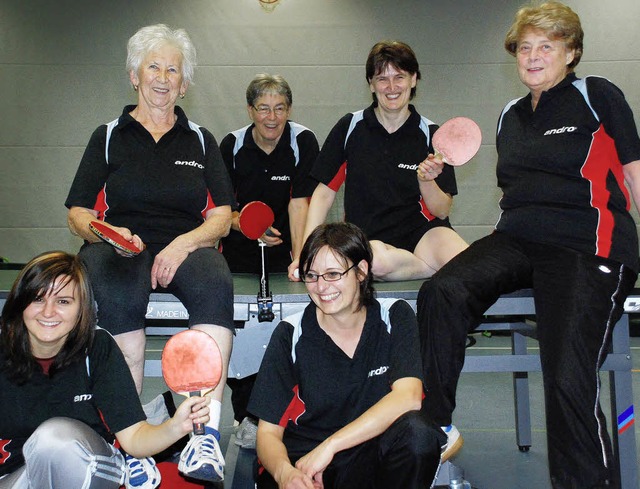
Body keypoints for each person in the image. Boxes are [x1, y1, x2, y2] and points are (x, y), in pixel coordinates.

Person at [417, 2, 640, 487]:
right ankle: (436, 428)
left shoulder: (596, 95)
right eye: (524, 47)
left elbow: (633, 174)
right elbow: (512, 191)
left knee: (566, 377)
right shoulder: (510, 114)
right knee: (442, 291)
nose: (533, 56)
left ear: (571, 52)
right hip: (517, 238)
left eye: (547, 46)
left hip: (588, 244)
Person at [64, 24, 235, 486]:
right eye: (153, 66)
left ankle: (204, 436)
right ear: (134, 75)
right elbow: (77, 212)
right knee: (121, 314)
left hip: (185, 245)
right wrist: (106, 234)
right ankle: (129, 442)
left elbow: (223, 215)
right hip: (120, 247)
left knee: (216, 282)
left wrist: (186, 242)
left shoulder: (200, 139)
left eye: (173, 69)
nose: (163, 76)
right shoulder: (107, 136)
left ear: (184, 83)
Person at [249, 222, 446, 489]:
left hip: (364, 457)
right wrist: (286, 474)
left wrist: (331, 446)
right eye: (311, 275)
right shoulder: (290, 334)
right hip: (304, 462)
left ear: (361, 271)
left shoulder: (395, 316)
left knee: (419, 435)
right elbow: (268, 433)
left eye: (333, 274)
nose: (321, 287)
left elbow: (408, 398)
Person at [0, 251, 211, 489]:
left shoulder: (98, 347)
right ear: (20, 303)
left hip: (90, 465)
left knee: (52, 440)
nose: (48, 312)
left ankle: (129, 464)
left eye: (63, 301)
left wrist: (175, 427)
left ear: (82, 309)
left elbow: (134, 438)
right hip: (18, 474)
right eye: (38, 299)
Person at [289, 40, 468, 282]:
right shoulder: (350, 127)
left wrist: (427, 180)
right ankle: (428, 267)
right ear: (371, 84)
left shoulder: (431, 134)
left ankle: (425, 263)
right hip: (368, 240)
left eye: (400, 77)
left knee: (469, 264)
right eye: (382, 78)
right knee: (375, 264)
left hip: (425, 234)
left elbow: (442, 210)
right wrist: (305, 255)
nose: (391, 86)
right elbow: (323, 195)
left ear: (414, 79)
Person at [219, 73, 319, 448]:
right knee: (239, 339)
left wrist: (300, 259)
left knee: (288, 336)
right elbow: (219, 210)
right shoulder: (230, 145)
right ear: (250, 111)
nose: (272, 117)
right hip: (238, 258)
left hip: (286, 259)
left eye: (280, 108)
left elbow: (301, 203)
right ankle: (248, 415)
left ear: (289, 110)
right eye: (263, 108)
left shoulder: (303, 141)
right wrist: (244, 224)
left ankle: (284, 413)